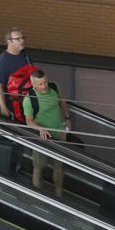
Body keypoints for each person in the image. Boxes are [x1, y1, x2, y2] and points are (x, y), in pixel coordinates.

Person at [22, 69, 71, 199]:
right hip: (42, 137)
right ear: (34, 85)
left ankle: (59, 194)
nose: (44, 86)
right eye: (40, 84)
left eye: (45, 82)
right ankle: (38, 196)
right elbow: (29, 121)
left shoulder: (54, 87)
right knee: (38, 166)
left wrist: (67, 118)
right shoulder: (29, 99)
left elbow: (62, 102)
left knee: (59, 166)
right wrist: (40, 129)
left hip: (59, 133)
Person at [0, 27, 31, 120]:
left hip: (25, 103)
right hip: (11, 105)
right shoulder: (4, 60)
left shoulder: (25, 55)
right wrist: (3, 107)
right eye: (18, 39)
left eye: (23, 38)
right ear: (9, 41)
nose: (22, 40)